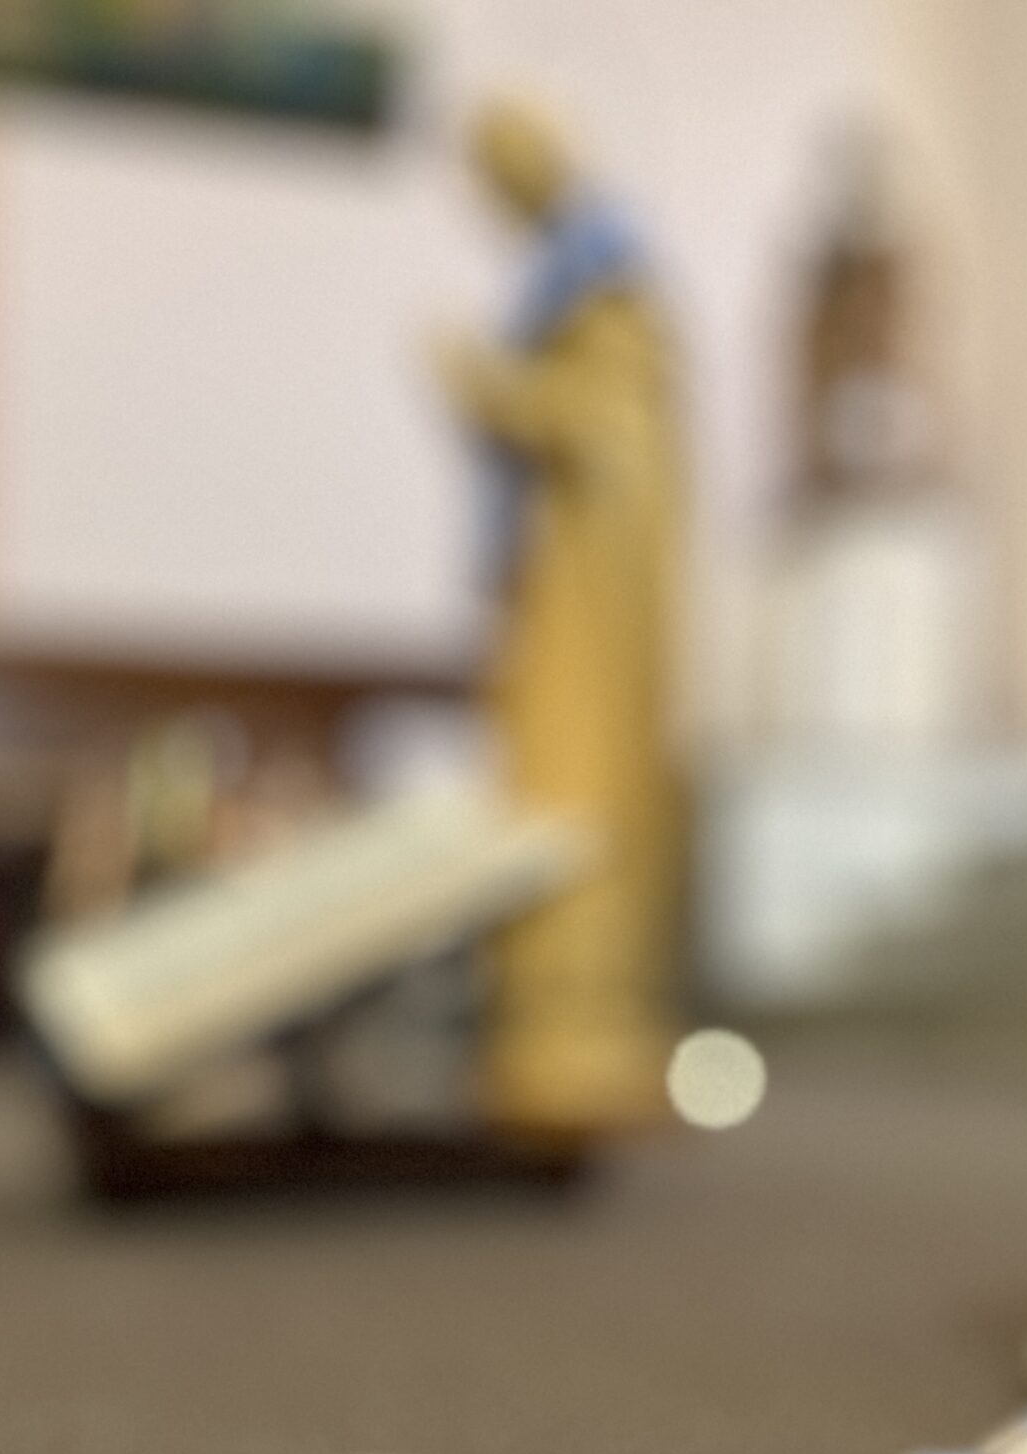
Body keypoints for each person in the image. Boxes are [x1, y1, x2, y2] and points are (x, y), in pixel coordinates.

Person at [435, 96, 684, 1138]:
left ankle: (581, 1037)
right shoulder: (563, 278)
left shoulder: (602, 274)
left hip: (595, 583)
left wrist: (491, 389)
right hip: (560, 574)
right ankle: (540, 1036)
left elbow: (610, 429)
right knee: (545, 782)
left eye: (504, 168)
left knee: (576, 791)